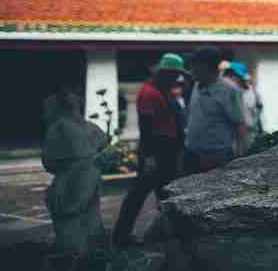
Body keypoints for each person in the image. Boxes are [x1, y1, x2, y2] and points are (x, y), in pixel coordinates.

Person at [113, 53, 188, 247]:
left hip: (165, 149)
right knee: (139, 195)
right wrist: (149, 157)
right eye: (174, 74)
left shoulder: (161, 90)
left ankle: (166, 234)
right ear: (165, 73)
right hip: (157, 150)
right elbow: (147, 128)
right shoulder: (150, 93)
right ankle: (121, 237)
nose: (176, 79)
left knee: (164, 194)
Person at [42, 87, 108, 253]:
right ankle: (91, 256)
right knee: (91, 218)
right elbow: (104, 141)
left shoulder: (58, 128)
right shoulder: (92, 127)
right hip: (91, 176)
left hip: (70, 179)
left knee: (70, 221)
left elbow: (49, 162)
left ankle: (75, 257)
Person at [184, 45, 247, 174]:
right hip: (192, 154)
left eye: (194, 66)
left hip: (217, 158)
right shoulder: (196, 85)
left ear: (205, 67)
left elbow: (240, 124)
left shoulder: (229, 91)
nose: (190, 70)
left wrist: (241, 157)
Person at [223, 61, 263, 154]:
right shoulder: (225, 91)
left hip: (250, 132)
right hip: (231, 134)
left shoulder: (251, 90)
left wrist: (255, 120)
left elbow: (259, 105)